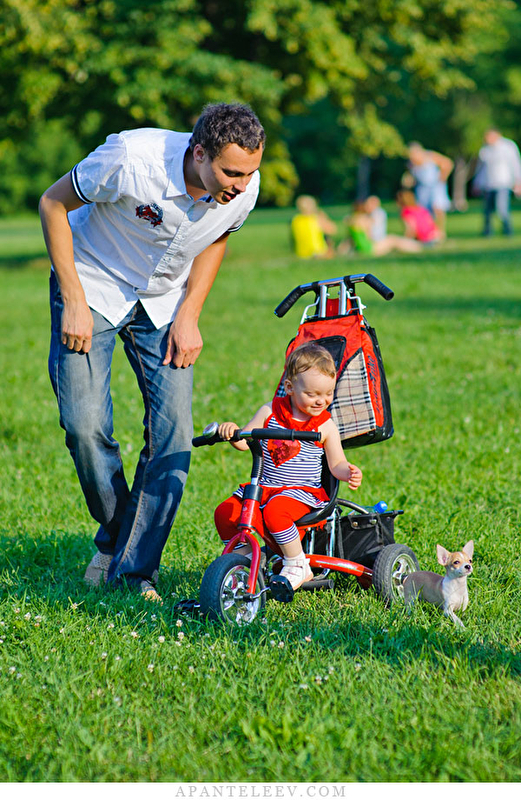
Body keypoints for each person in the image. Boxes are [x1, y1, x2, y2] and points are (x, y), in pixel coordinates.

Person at [39, 102, 265, 601]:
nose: (242, 185)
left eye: (250, 172)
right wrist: (73, 299)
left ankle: (133, 571)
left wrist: (190, 314)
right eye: (231, 173)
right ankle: (120, 537)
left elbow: (217, 238)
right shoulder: (130, 158)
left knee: (174, 435)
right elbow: (52, 204)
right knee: (84, 425)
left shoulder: (243, 187)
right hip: (92, 283)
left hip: (164, 302)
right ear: (199, 152)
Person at [214, 343, 363, 591]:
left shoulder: (325, 426)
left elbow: (336, 463)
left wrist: (348, 472)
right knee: (225, 512)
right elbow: (244, 441)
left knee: (276, 511)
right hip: (265, 488)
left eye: (328, 393)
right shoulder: (270, 412)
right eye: (312, 394)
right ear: (290, 387)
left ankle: (297, 564)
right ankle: (245, 556)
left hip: (301, 492)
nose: (321, 400)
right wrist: (232, 432)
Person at [473, 128, 521, 236]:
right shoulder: (485, 149)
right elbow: (481, 168)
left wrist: (518, 181)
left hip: (503, 183)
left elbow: (515, 164)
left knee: (502, 208)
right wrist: (477, 183)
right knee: (487, 210)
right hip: (488, 184)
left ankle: (507, 229)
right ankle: (487, 231)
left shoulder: (508, 146)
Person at [407, 142, 453, 240]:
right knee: (425, 212)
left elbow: (447, 163)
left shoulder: (430, 156)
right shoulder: (411, 163)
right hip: (422, 189)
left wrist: (442, 177)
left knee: (438, 209)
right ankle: (429, 233)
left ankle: (440, 232)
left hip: (435, 187)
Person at [346, 200, 422, 256]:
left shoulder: (351, 221)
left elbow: (350, 239)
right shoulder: (364, 221)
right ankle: (416, 248)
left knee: (392, 241)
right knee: (393, 240)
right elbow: (370, 236)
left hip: (361, 249)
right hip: (370, 249)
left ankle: (415, 247)